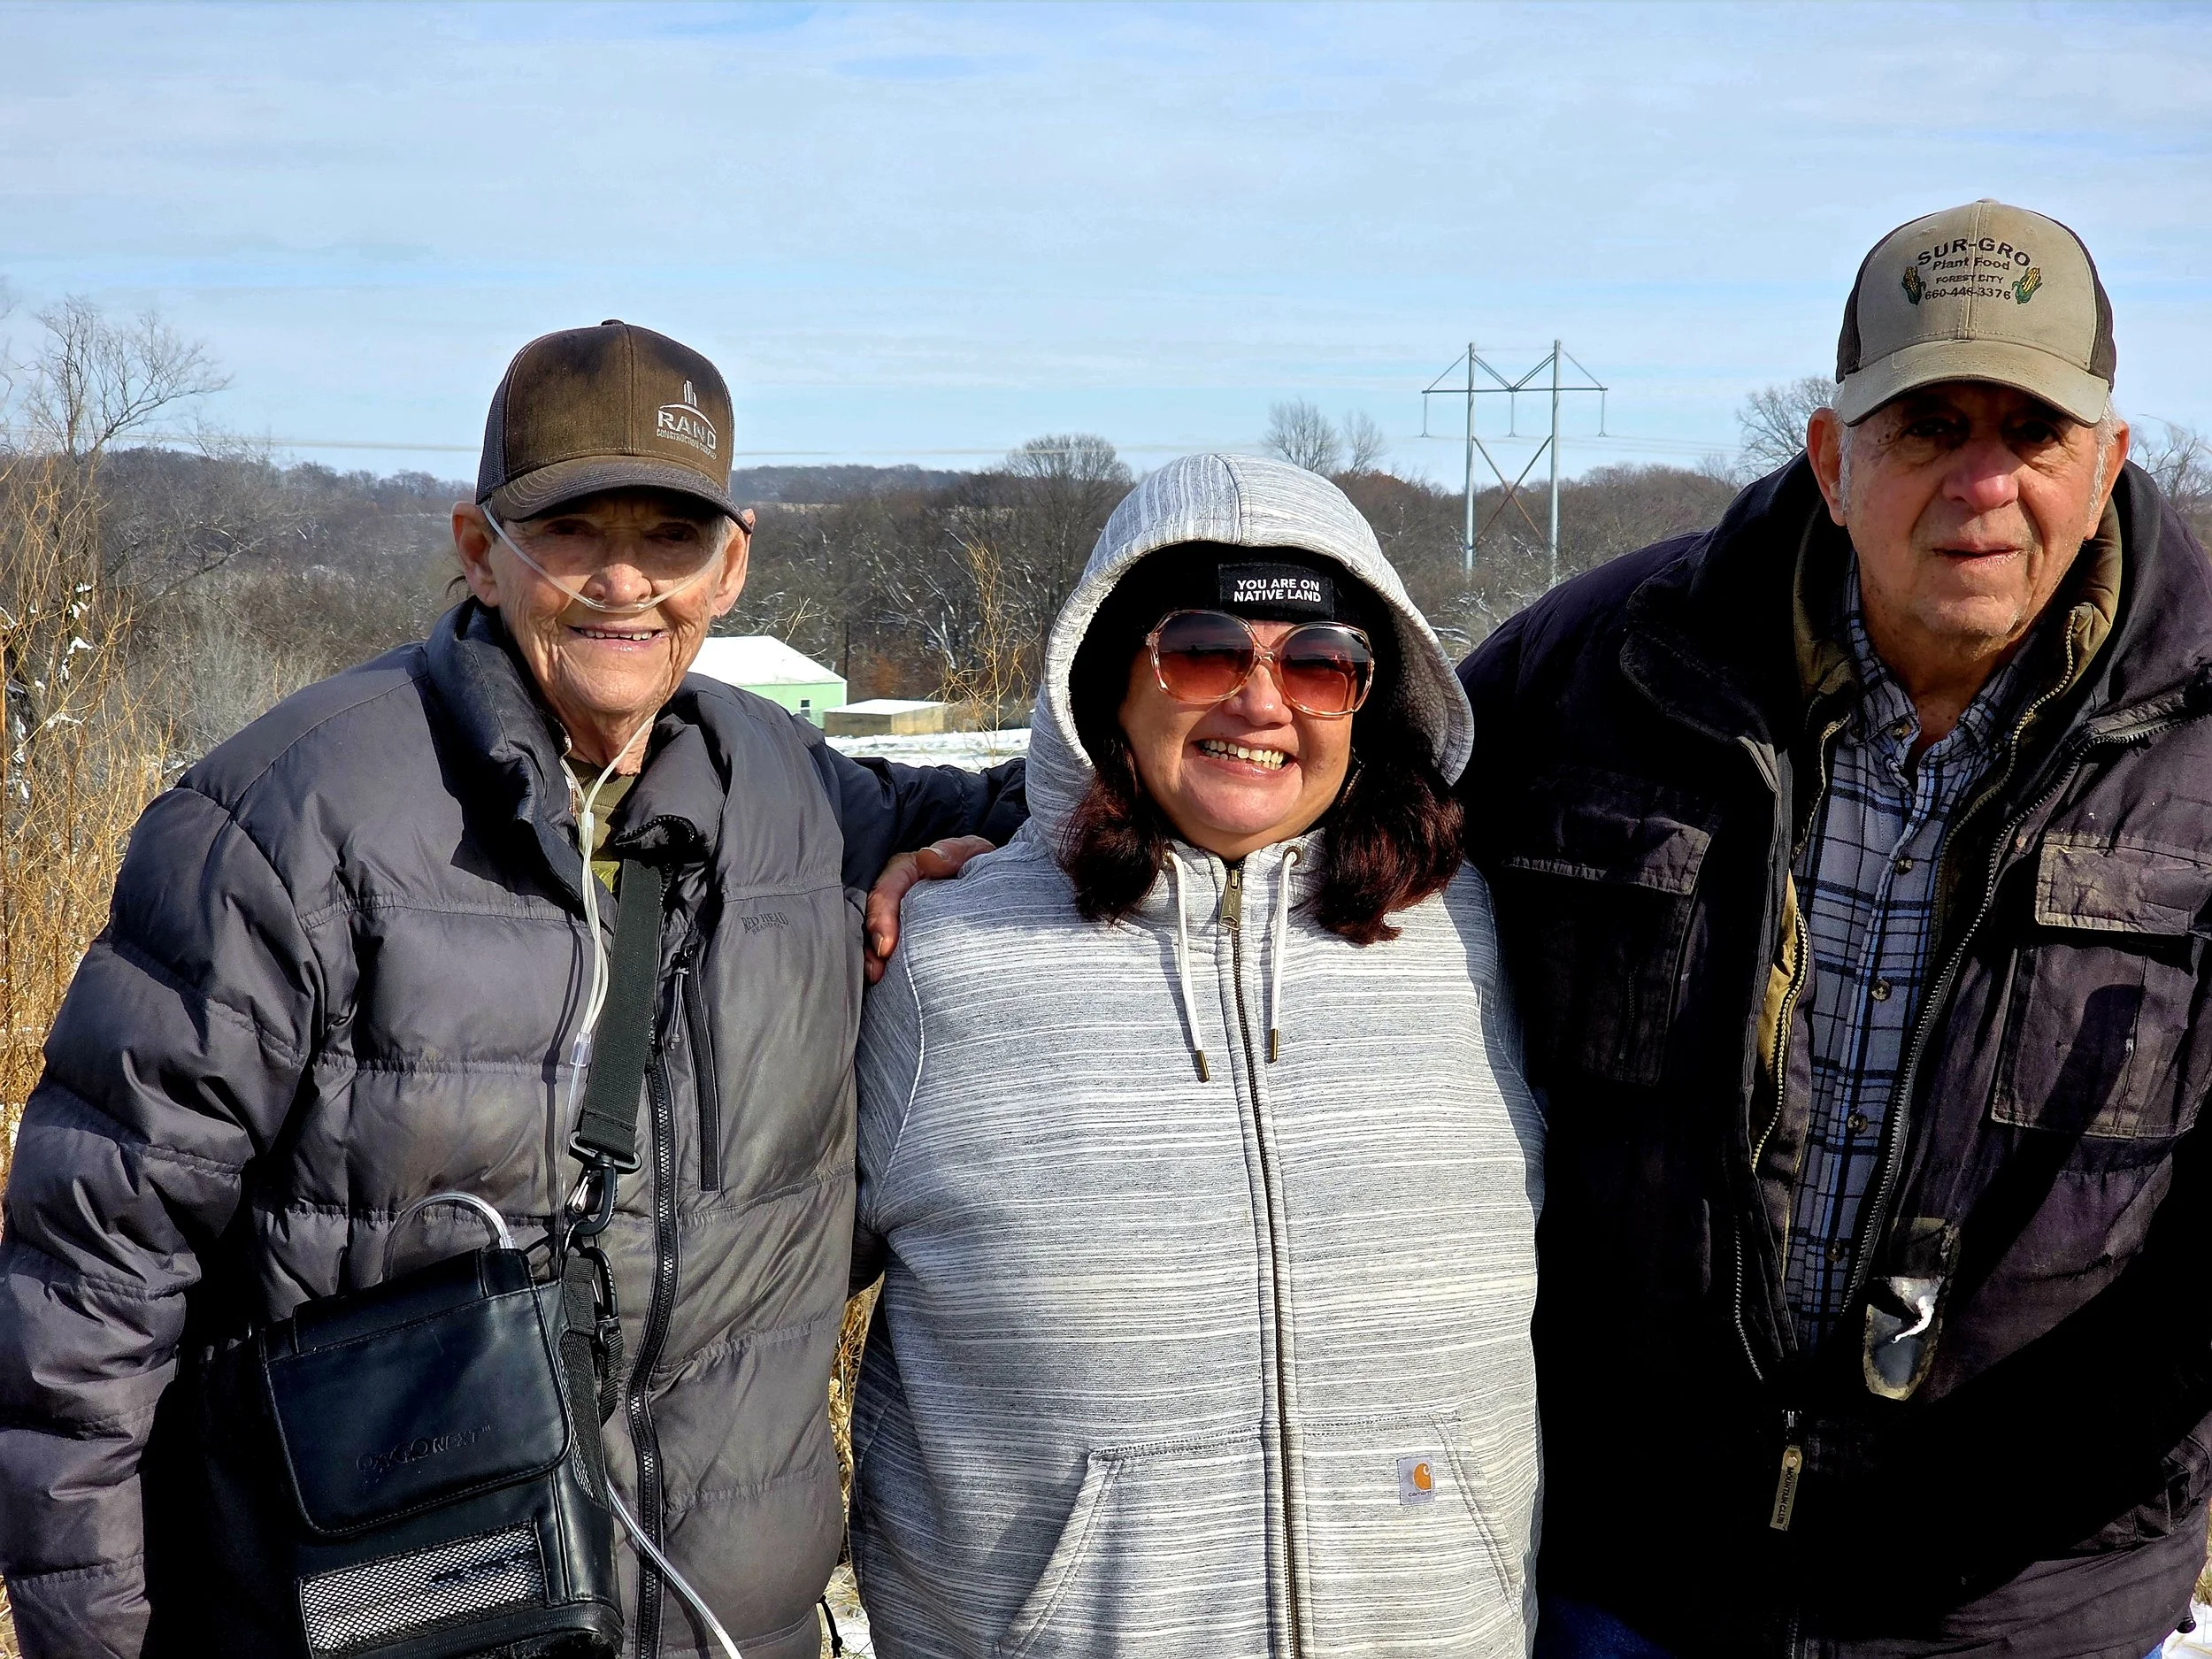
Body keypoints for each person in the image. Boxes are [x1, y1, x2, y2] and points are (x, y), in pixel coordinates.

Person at [0, 320, 1022, 1659]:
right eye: (571, 529)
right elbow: (89, 1284)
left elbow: (1090, 806)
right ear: (480, 549)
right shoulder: (286, 823)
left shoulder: (801, 800)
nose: (624, 582)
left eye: (670, 535)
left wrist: (982, 864)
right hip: (387, 1623)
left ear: (731, 564)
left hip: (725, 1628)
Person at [1460, 201, 2212, 1655]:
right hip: (1637, 1586)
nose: (1982, 484)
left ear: (2111, 460)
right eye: (1928, 426)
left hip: (2017, 1611)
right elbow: (1300, 779)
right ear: (1831, 456)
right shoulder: (1606, 664)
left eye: (2034, 432)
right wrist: (999, 831)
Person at [847, 453, 1545, 1658]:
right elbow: (753, 1325)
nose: (1262, 704)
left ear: (1371, 700)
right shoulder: (938, 959)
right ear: (1109, 679)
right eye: (1205, 653)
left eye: (1319, 664)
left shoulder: (1489, 938)